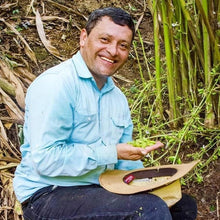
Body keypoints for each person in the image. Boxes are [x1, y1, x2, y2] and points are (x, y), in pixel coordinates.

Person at [13, 7, 197, 220]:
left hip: (97, 189)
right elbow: (46, 159)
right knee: (149, 210)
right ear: (84, 38)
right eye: (105, 39)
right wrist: (112, 152)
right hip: (48, 193)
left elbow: (126, 165)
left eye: (123, 45)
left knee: (183, 206)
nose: (113, 51)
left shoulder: (117, 98)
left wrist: (147, 181)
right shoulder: (57, 85)